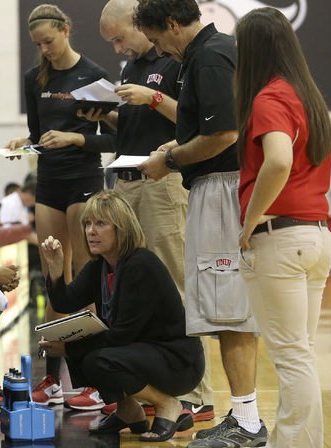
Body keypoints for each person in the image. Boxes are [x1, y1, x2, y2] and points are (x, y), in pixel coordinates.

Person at [134, 1, 267, 446]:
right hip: (221, 188)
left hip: (223, 189)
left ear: (172, 24)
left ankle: (247, 421)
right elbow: (212, 130)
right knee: (227, 310)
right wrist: (178, 145)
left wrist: (169, 159)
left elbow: (224, 135)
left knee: (231, 312)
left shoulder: (208, 55)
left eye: (156, 40)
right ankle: (244, 414)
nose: (160, 50)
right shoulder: (210, 52)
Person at [86, 0, 212, 420]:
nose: (119, 48)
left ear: (140, 25)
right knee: (128, 288)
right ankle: (149, 389)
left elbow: (196, 126)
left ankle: (198, 392)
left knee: (174, 283)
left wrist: (154, 97)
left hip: (162, 185)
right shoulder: (131, 68)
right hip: (126, 183)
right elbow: (139, 127)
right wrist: (105, 116)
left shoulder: (178, 60)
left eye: (121, 38)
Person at [4, 4, 116, 408]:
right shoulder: (35, 77)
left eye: (49, 41)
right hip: (49, 181)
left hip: (84, 179)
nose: (45, 50)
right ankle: (52, 378)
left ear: (66, 31)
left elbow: (117, 138)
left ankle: (89, 379)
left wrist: (75, 139)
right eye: (37, 44)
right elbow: (38, 134)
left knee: (84, 280)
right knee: (55, 275)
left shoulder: (94, 74)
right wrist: (22, 143)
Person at [235, 8, 331, 448]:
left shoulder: (269, 98)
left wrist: (251, 218)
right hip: (316, 236)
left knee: (292, 357)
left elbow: (277, 160)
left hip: (281, 240)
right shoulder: (307, 95)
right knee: (301, 355)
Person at [39, 190, 203, 441]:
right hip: (144, 352)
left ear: (122, 228)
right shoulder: (99, 266)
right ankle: (129, 413)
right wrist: (56, 269)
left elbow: (122, 335)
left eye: (100, 223)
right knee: (90, 355)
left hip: (178, 361)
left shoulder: (141, 264)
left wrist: (68, 348)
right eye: (88, 224)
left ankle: (167, 404)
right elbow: (65, 301)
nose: (91, 231)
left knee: (97, 357)